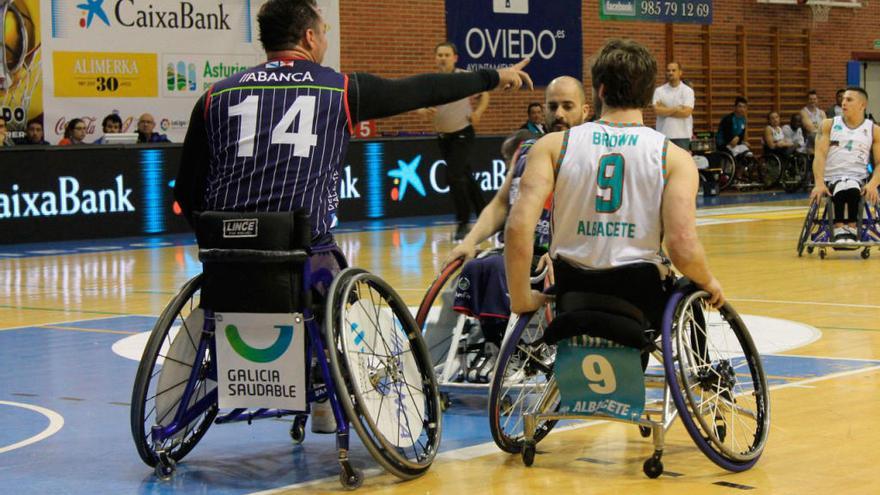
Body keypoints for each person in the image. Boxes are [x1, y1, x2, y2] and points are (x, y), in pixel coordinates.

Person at [174, 0, 532, 260]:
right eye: (325, 34)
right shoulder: (340, 89)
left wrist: (218, 238)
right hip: (303, 250)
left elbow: (188, 191)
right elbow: (427, 88)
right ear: (310, 38)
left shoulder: (214, 96)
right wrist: (494, 76)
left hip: (225, 254)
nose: (326, 42)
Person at [506, 39, 724, 337]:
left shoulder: (552, 146)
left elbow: (518, 227)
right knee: (693, 284)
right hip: (640, 297)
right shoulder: (675, 158)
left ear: (600, 90)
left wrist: (520, 298)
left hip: (573, 292)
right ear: (649, 96)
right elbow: (681, 246)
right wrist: (709, 282)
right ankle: (702, 381)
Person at [442, 76, 589, 359]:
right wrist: (470, 241)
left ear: (585, 111)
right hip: (514, 251)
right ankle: (490, 342)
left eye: (567, 106)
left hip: (555, 256)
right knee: (476, 265)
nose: (558, 113)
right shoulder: (527, 150)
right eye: (553, 106)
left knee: (496, 268)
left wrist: (562, 251)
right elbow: (499, 204)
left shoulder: (589, 154)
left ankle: (509, 348)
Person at [417, 42, 491, 242]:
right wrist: (423, 111)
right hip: (443, 137)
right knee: (465, 176)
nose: (442, 58)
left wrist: (478, 112)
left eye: (446, 54)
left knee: (454, 176)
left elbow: (484, 94)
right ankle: (487, 215)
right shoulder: (431, 81)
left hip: (463, 134)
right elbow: (417, 105)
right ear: (435, 58)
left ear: (455, 58)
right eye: (439, 54)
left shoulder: (464, 77)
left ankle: (463, 223)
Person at [809, 87, 880, 243]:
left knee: (853, 188)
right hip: (832, 178)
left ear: (862, 105)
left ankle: (853, 228)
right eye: (843, 99)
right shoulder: (828, 124)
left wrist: (874, 184)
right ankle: (840, 227)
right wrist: (819, 183)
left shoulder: (873, 130)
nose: (843, 103)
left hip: (858, 178)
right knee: (842, 187)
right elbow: (819, 156)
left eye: (849, 99)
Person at [652, 61, 695, 151]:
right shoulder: (659, 91)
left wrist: (665, 109)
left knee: (681, 164)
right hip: (663, 135)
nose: (670, 73)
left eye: (673, 70)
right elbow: (657, 111)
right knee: (664, 164)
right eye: (668, 70)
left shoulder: (687, 91)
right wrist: (677, 108)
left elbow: (686, 113)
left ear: (680, 72)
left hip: (682, 136)